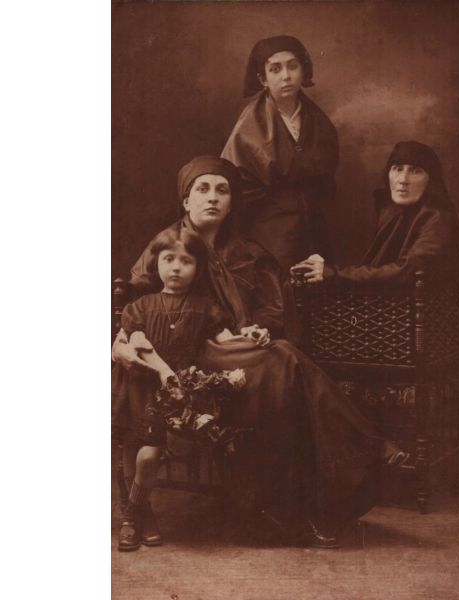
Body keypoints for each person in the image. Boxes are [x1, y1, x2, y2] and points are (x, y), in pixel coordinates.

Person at [113, 156, 406, 549]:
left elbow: (271, 307)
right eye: (202, 189)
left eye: (222, 190)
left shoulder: (245, 250)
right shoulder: (167, 245)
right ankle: (365, 447)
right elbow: (134, 305)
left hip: (235, 347)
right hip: (188, 356)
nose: (212, 198)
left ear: (232, 203)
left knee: (280, 366)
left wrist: (258, 327)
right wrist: (118, 344)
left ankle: (299, 509)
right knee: (282, 362)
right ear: (185, 200)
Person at [112, 228, 233, 551]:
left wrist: (250, 335)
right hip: (141, 385)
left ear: (198, 267)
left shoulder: (205, 308)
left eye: (186, 261)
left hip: (181, 392)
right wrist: (163, 373)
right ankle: (137, 518)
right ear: (157, 263)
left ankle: (133, 513)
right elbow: (139, 343)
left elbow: (227, 341)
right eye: (169, 259)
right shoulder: (140, 306)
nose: (176, 268)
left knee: (150, 455)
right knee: (142, 449)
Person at [221, 35, 338, 273]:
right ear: (262, 79)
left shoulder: (319, 121)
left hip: (313, 224)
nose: (286, 76)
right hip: (267, 228)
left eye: (293, 66)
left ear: (303, 70)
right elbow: (234, 184)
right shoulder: (249, 126)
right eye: (275, 69)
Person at [290, 141, 459, 288]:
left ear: (430, 180)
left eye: (415, 171)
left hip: (421, 310)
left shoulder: (438, 218)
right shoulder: (393, 214)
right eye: (397, 169)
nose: (403, 180)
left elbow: (407, 271)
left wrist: (333, 274)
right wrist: (319, 270)